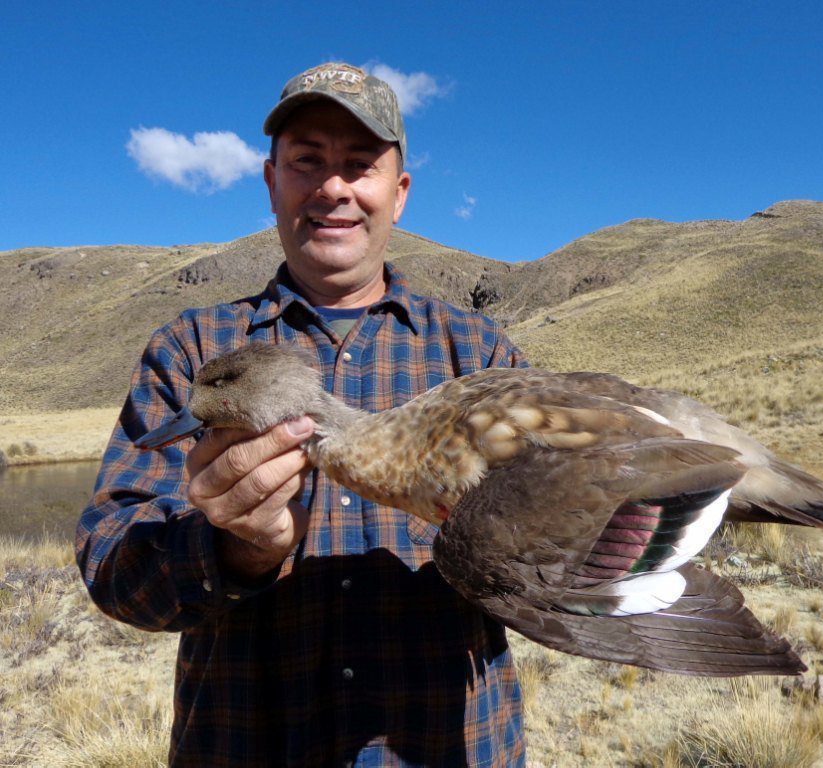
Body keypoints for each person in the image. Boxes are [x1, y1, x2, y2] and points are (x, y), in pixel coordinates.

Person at [77, 62, 527, 767]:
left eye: (359, 164)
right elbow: (111, 565)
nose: (333, 188)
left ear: (399, 193)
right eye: (307, 162)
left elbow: (558, 528)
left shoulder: (479, 354)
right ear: (271, 181)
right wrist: (232, 548)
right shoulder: (190, 353)